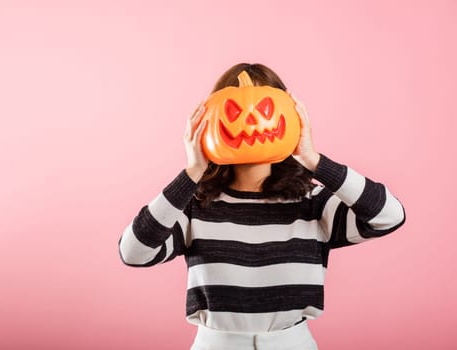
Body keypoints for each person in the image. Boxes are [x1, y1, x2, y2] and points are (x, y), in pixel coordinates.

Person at [118, 63, 406, 350]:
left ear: (290, 117)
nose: (251, 120)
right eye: (234, 110)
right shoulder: (194, 207)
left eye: (265, 108)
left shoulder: (314, 204)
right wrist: (192, 172)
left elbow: (389, 216)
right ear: (210, 120)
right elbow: (134, 252)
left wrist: (315, 161)